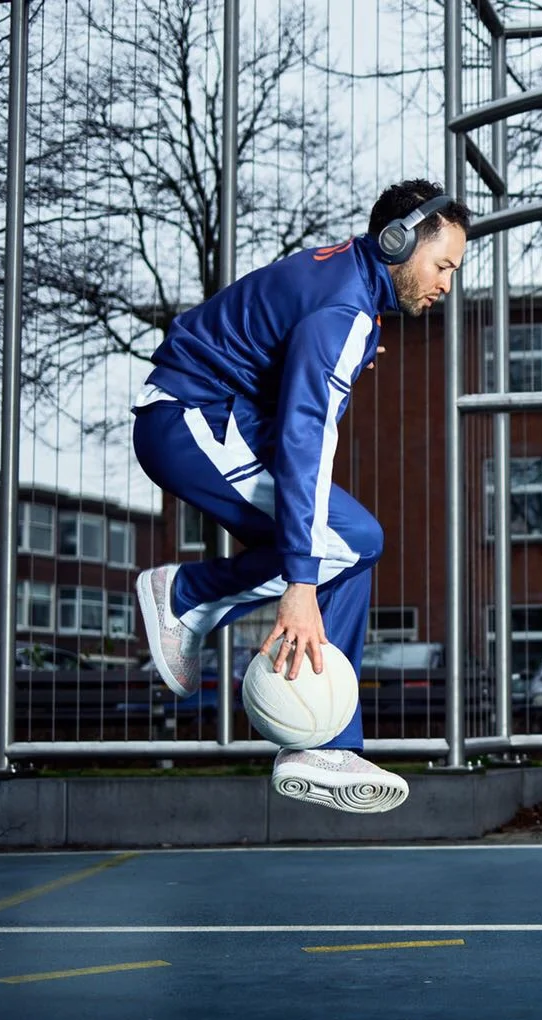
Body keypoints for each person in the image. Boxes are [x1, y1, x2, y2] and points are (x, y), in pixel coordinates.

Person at [131, 179, 469, 814]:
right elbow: (306, 436)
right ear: (397, 243)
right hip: (189, 420)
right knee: (336, 548)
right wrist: (299, 585)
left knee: (356, 545)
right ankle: (183, 595)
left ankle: (326, 741)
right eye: (443, 264)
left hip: (219, 416)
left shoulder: (348, 288)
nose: (448, 282)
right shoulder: (345, 309)